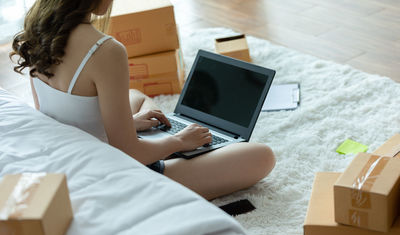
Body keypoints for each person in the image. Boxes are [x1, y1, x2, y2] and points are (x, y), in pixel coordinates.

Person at [10, 0, 275, 200]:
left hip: (76, 150)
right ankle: (174, 142)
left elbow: (51, 111)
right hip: (114, 174)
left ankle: (149, 128)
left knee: (135, 97)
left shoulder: (37, 31)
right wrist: (179, 141)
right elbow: (130, 153)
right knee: (262, 156)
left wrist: (130, 124)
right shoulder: (104, 50)